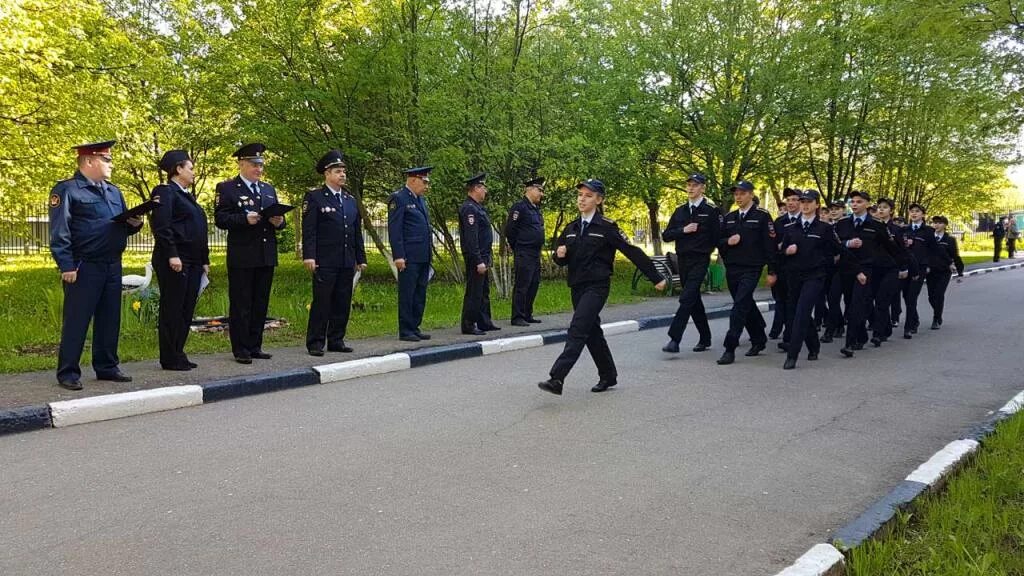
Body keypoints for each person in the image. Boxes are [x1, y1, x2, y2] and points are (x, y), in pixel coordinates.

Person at [538, 179, 666, 395]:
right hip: (577, 287)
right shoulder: (571, 228)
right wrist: (559, 255)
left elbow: (631, 251)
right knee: (591, 332)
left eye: (588, 196)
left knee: (578, 328)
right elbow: (562, 258)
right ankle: (608, 375)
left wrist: (655, 277)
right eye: (580, 195)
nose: (582, 199)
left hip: (597, 287)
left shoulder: (607, 227)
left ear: (598, 199)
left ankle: (557, 378)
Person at [49, 140, 143, 390]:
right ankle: (68, 371)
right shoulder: (68, 190)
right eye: (106, 160)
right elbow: (60, 232)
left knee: (109, 318)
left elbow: (119, 224)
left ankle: (107, 366)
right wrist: (66, 265)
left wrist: (134, 224)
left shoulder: (113, 191)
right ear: (89, 161)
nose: (111, 164)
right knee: (77, 319)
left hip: (112, 264)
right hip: (83, 265)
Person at [214, 143, 287, 364]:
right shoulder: (227, 188)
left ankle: (255, 345)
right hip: (243, 255)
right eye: (254, 165)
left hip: (265, 254)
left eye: (261, 165)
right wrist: (243, 219)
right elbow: (221, 218)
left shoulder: (268, 189)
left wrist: (280, 221)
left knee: (260, 302)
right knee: (242, 303)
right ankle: (241, 348)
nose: (259, 169)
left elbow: (277, 220)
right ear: (242, 164)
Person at [302, 150, 367, 356]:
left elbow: (356, 231)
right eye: (338, 171)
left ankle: (336, 339)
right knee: (322, 302)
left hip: (346, 260)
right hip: (325, 260)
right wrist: (309, 256)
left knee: (342, 301)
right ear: (327, 174)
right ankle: (316, 342)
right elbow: (310, 230)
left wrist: (360, 258)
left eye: (343, 172)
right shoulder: (315, 197)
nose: (342, 175)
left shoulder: (349, 200)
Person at [779, 190, 853, 369]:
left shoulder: (824, 228)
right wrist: (786, 251)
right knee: (798, 312)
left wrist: (857, 270)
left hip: (815, 276)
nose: (804, 205)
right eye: (802, 201)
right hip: (794, 276)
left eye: (809, 202)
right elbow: (780, 253)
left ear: (817, 205)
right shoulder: (790, 229)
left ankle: (792, 355)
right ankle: (813, 345)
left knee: (803, 312)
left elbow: (839, 250)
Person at [150, 149, 210, 371]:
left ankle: (179, 351)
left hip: (193, 260)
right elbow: (162, 226)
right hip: (176, 259)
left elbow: (199, 230)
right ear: (178, 169)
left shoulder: (187, 195)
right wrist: (172, 254)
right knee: (173, 308)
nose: (194, 173)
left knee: (186, 308)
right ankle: (169, 356)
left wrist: (204, 259)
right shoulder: (165, 192)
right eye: (191, 168)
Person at [833, 190, 901, 357]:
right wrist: (848, 243)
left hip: (867, 269)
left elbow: (891, 248)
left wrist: (903, 267)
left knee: (857, 304)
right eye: (852, 202)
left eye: (858, 201)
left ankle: (849, 343)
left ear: (867, 204)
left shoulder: (876, 225)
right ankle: (861, 336)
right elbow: (834, 244)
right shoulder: (842, 224)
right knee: (850, 304)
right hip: (847, 268)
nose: (854, 204)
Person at [715, 181, 776, 365]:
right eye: (736, 194)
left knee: (739, 306)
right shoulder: (730, 217)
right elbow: (719, 241)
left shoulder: (762, 216)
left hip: (752, 268)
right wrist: (728, 242)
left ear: (750, 194)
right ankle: (759, 338)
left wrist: (772, 270)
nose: (738, 197)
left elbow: (770, 246)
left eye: (742, 193)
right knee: (745, 303)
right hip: (733, 267)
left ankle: (729, 347)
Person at [660, 173, 719, 354]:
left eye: (695, 185)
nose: (691, 188)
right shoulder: (680, 211)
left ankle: (674, 339)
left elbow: (717, 237)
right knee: (693, 301)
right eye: (689, 185)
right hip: (682, 260)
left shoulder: (711, 210)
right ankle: (705, 337)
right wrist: (683, 230)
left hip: (700, 259)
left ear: (703, 188)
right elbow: (666, 235)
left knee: (686, 297)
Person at [388, 166, 434, 342]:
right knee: (407, 293)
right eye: (424, 181)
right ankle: (406, 329)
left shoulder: (421, 200)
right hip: (409, 256)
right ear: (413, 180)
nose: (426, 186)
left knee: (419, 293)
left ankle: (415, 326)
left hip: (423, 255)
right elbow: (395, 230)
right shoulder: (399, 198)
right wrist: (398, 255)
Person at [459, 172, 500, 335]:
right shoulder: (469, 208)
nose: (485, 191)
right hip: (476, 257)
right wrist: (478, 260)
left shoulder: (477, 208)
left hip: (483, 255)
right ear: (476, 188)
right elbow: (471, 238)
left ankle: (484, 321)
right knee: (474, 292)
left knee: (483, 291)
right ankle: (469, 324)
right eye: (483, 188)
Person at [505, 177, 546, 326]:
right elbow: (510, 230)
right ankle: (517, 316)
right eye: (539, 190)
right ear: (529, 189)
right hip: (524, 251)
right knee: (523, 284)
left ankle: (527, 314)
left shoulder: (535, 209)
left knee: (533, 283)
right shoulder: (519, 207)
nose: (541, 194)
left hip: (535, 252)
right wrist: (517, 246)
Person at [873, 198, 911, 340]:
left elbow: (902, 250)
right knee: (875, 300)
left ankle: (878, 334)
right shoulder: (872, 226)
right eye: (879, 207)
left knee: (882, 300)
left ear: (891, 211)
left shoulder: (896, 230)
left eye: (885, 207)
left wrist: (904, 268)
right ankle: (886, 327)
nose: (881, 210)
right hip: (875, 268)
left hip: (891, 269)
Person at [901, 203, 939, 339]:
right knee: (906, 296)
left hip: (921, 267)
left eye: (917, 211)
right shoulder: (905, 229)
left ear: (923, 214)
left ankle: (909, 327)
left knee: (912, 296)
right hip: (906, 267)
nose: (914, 213)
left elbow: (934, 250)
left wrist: (928, 265)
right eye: (912, 211)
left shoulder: (928, 231)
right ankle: (915, 319)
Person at [770, 187, 802, 348]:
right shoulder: (779, 222)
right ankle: (787, 334)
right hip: (783, 268)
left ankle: (791, 337)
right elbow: (772, 247)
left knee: (794, 304)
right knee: (782, 301)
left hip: (801, 269)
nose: (791, 203)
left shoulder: (806, 220)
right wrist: (772, 270)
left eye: (795, 200)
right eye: (788, 200)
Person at [927, 216, 964, 329]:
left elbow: (955, 256)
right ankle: (938, 312)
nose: (936, 225)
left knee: (939, 294)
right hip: (930, 271)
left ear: (945, 225)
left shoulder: (949, 240)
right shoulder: (929, 238)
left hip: (944, 271)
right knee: (931, 297)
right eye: (934, 223)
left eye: (939, 223)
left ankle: (936, 318)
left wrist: (960, 271)